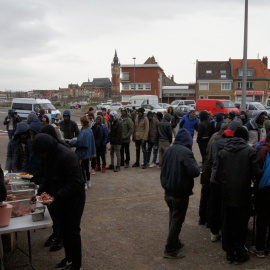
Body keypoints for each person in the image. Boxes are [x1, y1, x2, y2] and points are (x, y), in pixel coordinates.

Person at [31, 133, 85, 270]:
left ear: (47, 148)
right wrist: (38, 193)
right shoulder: (50, 155)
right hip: (60, 198)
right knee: (63, 231)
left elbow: (76, 182)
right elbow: (47, 177)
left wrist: (56, 196)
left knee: (72, 232)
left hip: (74, 198)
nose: (42, 155)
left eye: (42, 153)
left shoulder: (66, 155)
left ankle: (76, 265)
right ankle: (68, 259)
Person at [216, 127, 261, 264]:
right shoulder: (250, 152)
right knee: (241, 224)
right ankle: (240, 251)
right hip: (243, 193)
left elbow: (218, 174)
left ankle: (229, 252)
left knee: (228, 223)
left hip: (227, 193)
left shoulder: (223, 152)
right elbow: (256, 173)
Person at [160, 128, 200, 259]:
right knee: (177, 220)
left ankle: (174, 241)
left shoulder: (169, 150)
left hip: (168, 191)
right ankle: (170, 249)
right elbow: (195, 172)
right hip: (180, 192)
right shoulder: (186, 152)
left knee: (173, 217)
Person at [249, 132, 270, 258]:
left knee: (262, 218)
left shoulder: (264, 149)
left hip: (264, 188)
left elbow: (258, 168)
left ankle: (260, 248)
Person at [70, 116, 96, 190]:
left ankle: (84, 183)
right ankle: (88, 181)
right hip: (88, 153)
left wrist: (72, 142)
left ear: (82, 122)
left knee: (82, 168)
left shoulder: (83, 132)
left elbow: (80, 142)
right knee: (87, 168)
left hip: (82, 153)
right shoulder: (89, 130)